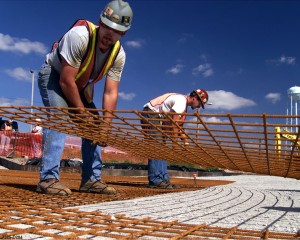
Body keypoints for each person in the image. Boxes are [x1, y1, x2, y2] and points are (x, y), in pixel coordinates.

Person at [36, 0, 133, 196]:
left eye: (115, 30)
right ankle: (48, 178)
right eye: (106, 26)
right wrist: (81, 113)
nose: (109, 33)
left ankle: (91, 179)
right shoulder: (80, 36)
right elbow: (65, 81)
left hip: (79, 85)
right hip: (55, 76)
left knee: (95, 128)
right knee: (59, 118)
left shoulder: (118, 54)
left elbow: (110, 92)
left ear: (123, 33)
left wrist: (104, 128)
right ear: (100, 21)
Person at [141, 89, 209, 189]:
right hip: (151, 113)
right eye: (200, 104)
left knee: (162, 148)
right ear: (195, 98)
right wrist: (175, 144)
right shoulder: (181, 101)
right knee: (156, 146)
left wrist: (186, 144)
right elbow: (174, 123)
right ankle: (155, 180)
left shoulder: (183, 106)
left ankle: (164, 180)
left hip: (157, 117)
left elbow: (179, 128)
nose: (199, 107)